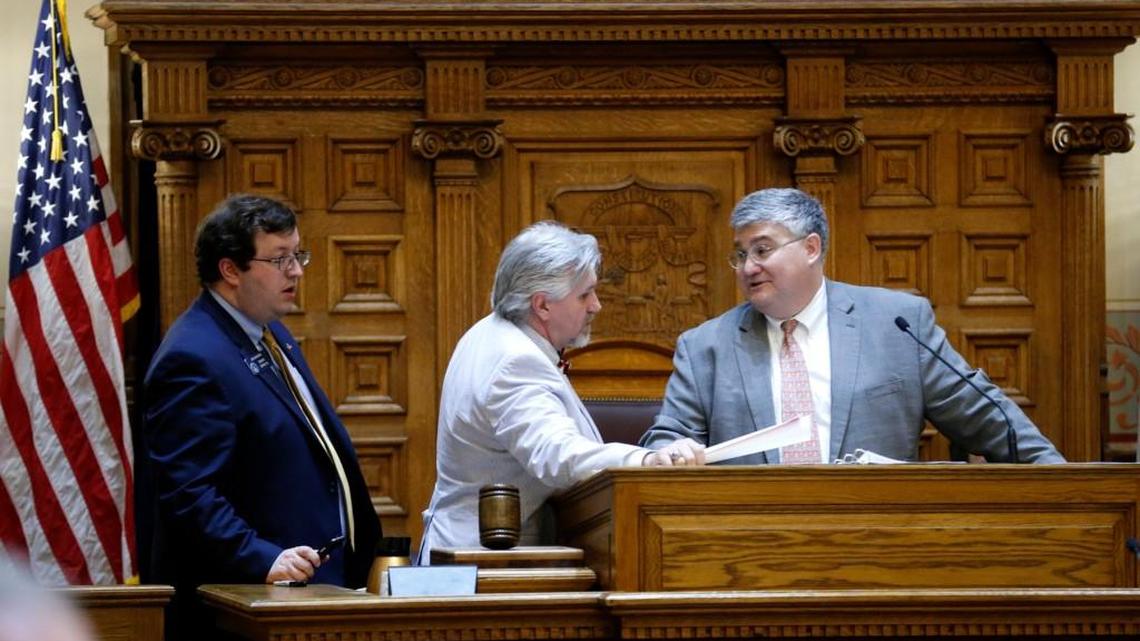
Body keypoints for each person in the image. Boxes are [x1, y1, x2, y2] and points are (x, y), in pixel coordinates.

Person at [641, 188, 1064, 464]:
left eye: (763, 250)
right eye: (740, 255)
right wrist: (668, 452)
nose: (748, 267)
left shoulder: (896, 324)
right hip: (749, 544)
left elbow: (990, 422)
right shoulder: (705, 346)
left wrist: (1068, 491)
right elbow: (666, 439)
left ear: (811, 248)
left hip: (879, 542)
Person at [143, 195, 381, 631]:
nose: (297, 271)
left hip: (311, 588)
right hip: (246, 603)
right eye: (279, 259)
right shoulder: (193, 357)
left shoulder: (270, 333)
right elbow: (189, 494)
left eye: (297, 255)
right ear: (230, 269)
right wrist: (263, 557)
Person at [419, 221, 705, 562]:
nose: (596, 306)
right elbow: (559, 457)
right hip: (486, 565)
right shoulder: (515, 360)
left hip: (473, 554)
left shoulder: (490, 333)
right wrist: (647, 460)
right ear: (542, 306)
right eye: (584, 294)